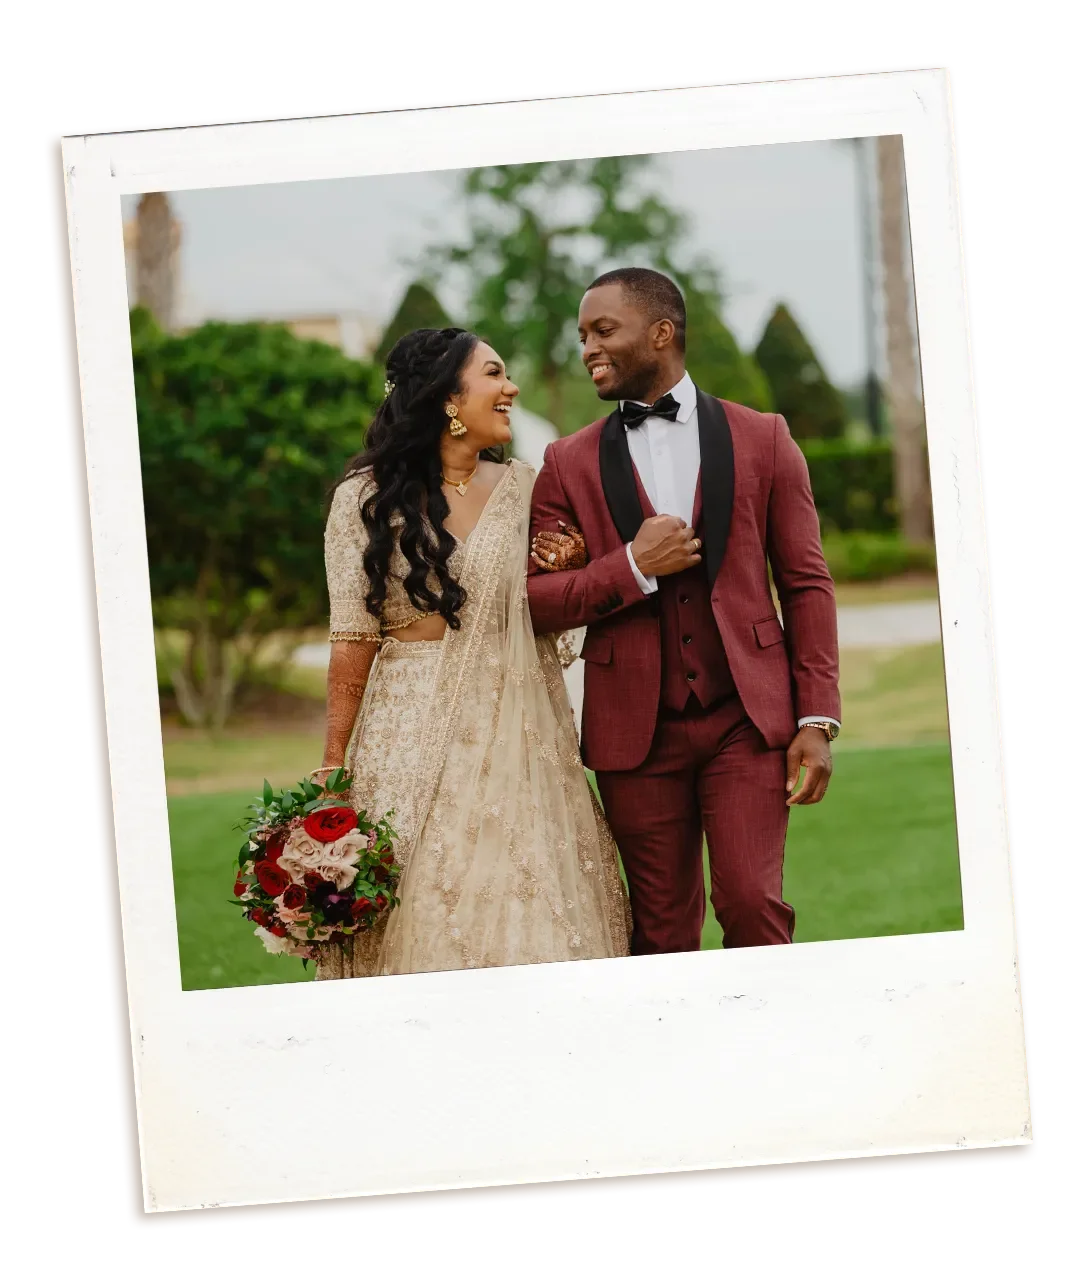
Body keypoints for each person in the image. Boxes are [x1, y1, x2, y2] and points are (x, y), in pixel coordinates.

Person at [527, 268, 841, 956]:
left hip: (746, 719)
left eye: (603, 330)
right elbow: (536, 601)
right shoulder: (565, 462)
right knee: (661, 932)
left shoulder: (765, 437)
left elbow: (806, 584)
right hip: (634, 732)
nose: (588, 348)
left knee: (753, 904)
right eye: (582, 336)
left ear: (661, 332)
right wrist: (631, 566)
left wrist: (816, 716)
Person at [313, 327, 631, 980]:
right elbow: (352, 640)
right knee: (426, 906)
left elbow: (553, 598)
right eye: (493, 374)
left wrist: (566, 560)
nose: (511, 387)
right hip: (407, 732)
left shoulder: (527, 487)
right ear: (448, 398)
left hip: (519, 732)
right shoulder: (364, 499)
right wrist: (333, 763)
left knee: (535, 903)